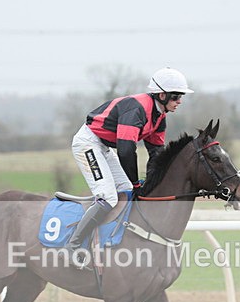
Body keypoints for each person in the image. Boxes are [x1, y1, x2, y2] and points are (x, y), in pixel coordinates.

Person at [66, 67, 194, 268]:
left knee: (126, 191)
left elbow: (156, 154)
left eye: (181, 97)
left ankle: (115, 239)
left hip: (103, 146)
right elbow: (126, 151)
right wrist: (136, 183)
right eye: (176, 96)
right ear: (162, 95)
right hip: (88, 143)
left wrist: (151, 184)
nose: (180, 101)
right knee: (108, 197)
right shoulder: (137, 110)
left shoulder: (159, 116)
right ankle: (73, 245)